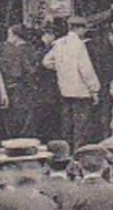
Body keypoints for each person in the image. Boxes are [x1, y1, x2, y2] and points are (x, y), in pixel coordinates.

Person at [43, 16, 101, 147]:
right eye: (83, 28)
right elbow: (86, 69)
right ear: (77, 28)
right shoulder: (79, 45)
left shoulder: (59, 43)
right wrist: (94, 89)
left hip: (64, 89)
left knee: (67, 123)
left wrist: (60, 68)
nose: (84, 32)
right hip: (81, 90)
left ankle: (66, 150)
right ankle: (78, 152)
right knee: (81, 126)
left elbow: (46, 62)